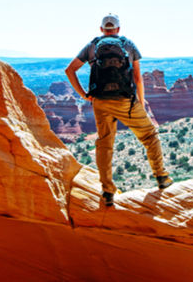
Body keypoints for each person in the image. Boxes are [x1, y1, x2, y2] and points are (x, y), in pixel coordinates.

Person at [66, 13, 173, 207]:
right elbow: (138, 78)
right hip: (126, 101)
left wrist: (84, 95)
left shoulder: (92, 45)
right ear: (118, 29)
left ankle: (107, 191)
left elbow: (69, 70)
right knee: (149, 135)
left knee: (105, 144)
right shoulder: (128, 44)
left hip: (100, 101)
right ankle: (161, 177)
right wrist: (141, 102)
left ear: (101, 29)